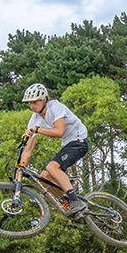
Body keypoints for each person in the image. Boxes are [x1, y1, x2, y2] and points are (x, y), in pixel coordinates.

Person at [18, 83, 90, 214]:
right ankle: (70, 204)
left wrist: (38, 130)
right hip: (68, 144)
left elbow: (59, 132)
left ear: (44, 99)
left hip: (79, 140)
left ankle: (75, 201)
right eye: (30, 103)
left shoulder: (55, 107)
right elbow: (27, 151)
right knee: (44, 178)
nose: (33, 106)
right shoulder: (34, 119)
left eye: (35, 102)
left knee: (52, 167)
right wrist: (20, 172)